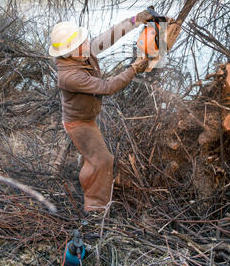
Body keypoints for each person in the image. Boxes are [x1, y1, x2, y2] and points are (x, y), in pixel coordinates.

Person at [49, 11, 156, 214]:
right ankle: (96, 210)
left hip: (86, 118)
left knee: (94, 159)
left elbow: (109, 37)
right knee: (102, 160)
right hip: (78, 123)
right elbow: (107, 87)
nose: (88, 44)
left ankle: (87, 187)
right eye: (83, 43)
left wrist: (134, 21)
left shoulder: (81, 53)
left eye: (85, 40)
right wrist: (134, 68)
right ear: (70, 51)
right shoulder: (69, 76)